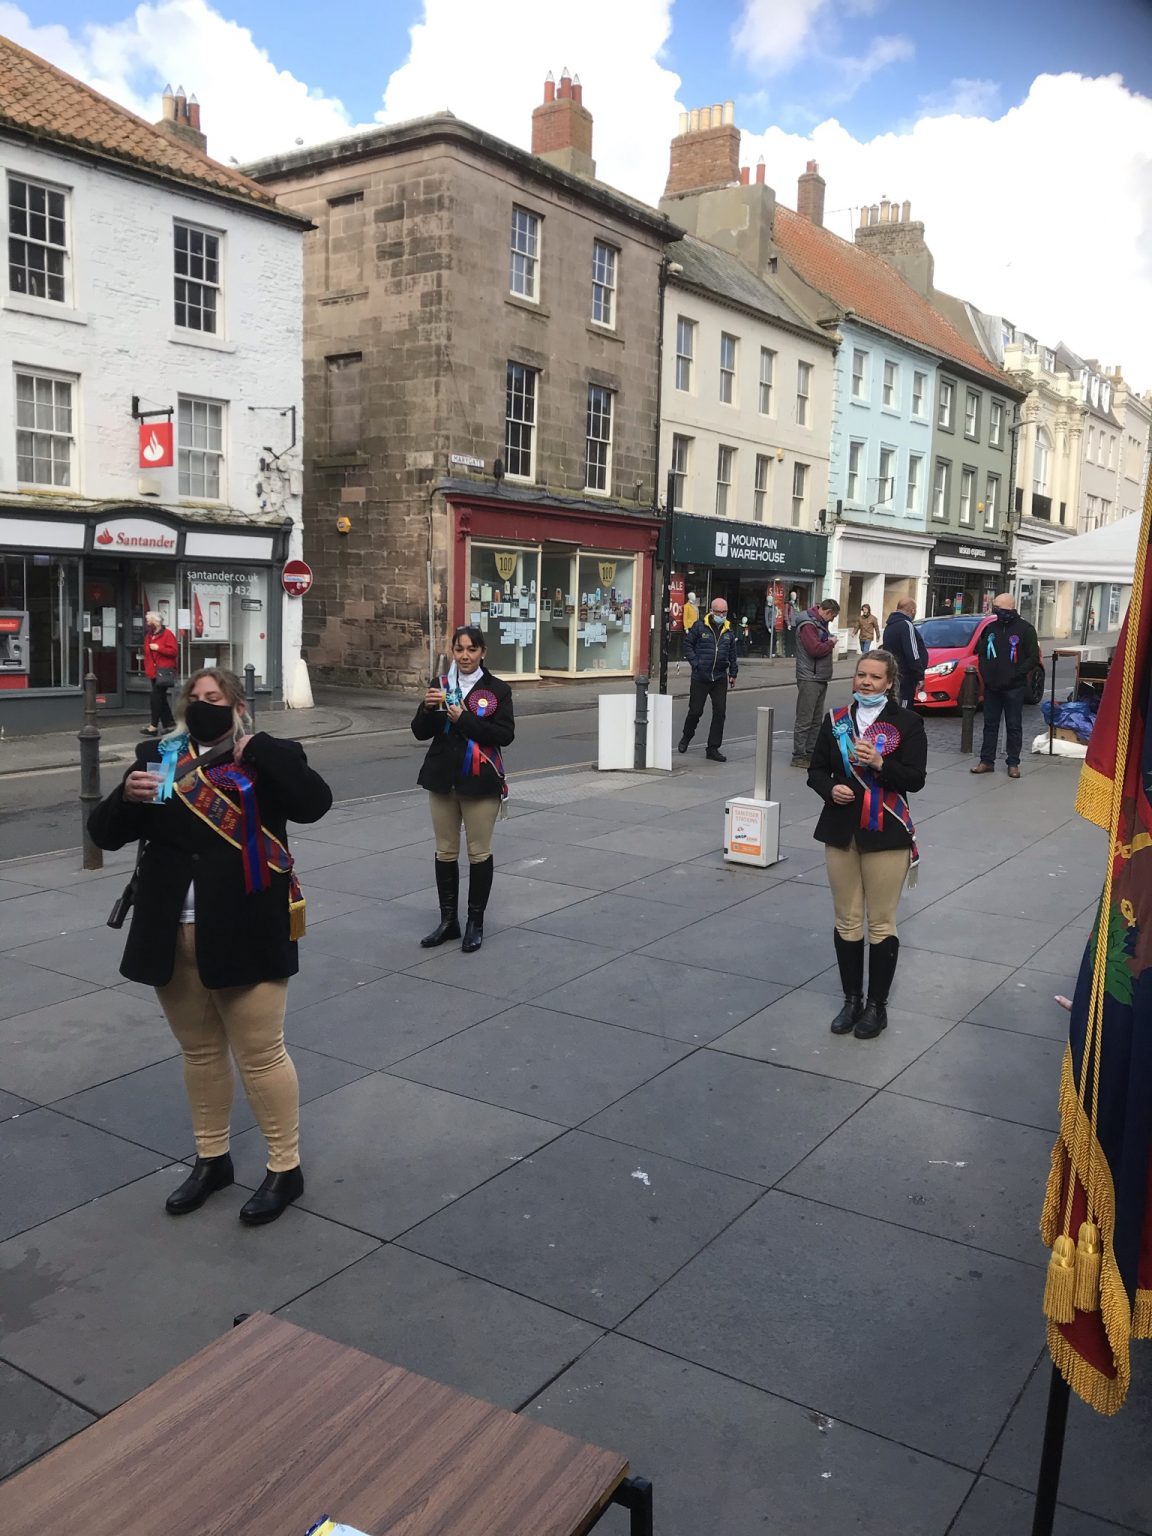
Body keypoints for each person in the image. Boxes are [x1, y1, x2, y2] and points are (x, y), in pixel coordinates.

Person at [88, 667, 333, 1224]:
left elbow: (314, 802)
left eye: (214, 698)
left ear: (237, 705)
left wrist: (262, 748)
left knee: (261, 1053)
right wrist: (126, 798)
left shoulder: (266, 756)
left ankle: (284, 1166)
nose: (203, 705)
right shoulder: (160, 755)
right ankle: (211, 1160)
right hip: (170, 932)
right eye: (194, 699)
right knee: (199, 1052)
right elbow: (103, 834)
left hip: (248, 927)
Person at [808, 648, 927, 1039]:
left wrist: (879, 765)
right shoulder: (836, 721)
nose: (866, 682)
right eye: (861, 675)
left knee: (880, 922)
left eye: (875, 677)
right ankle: (851, 1000)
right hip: (841, 830)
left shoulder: (907, 723)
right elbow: (816, 770)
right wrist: (831, 789)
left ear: (889, 683)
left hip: (886, 833)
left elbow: (914, 778)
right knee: (846, 919)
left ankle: (877, 1007)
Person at [412, 625, 514, 953]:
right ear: (453, 652)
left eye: (471, 649)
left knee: (478, 853)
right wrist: (427, 709)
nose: (465, 656)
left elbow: (504, 734)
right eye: (459, 650)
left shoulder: (497, 689)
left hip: (480, 782)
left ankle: (475, 922)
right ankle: (448, 921)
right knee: (445, 852)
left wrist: (464, 720)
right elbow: (419, 732)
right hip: (442, 780)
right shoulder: (441, 685)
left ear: (483, 651)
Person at [971, 592, 1040, 780]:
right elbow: (983, 652)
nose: (996, 611)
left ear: (1009, 607)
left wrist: (1016, 674)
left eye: (998, 607)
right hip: (992, 686)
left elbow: (1033, 657)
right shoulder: (991, 628)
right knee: (989, 724)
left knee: (1013, 725)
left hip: (1014, 687)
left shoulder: (1026, 629)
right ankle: (986, 761)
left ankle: (1013, 762)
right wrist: (986, 673)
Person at [678, 597, 739, 762]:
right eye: (719, 612)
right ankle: (686, 736)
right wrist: (695, 664)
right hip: (700, 676)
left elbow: (732, 654)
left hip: (719, 676)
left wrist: (733, 673)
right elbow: (687, 645)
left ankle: (713, 748)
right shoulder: (700, 627)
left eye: (724, 612)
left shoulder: (728, 630)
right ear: (712, 611)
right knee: (695, 711)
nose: (721, 615)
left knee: (720, 713)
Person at [791, 597, 840, 768]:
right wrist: (831, 643)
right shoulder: (808, 625)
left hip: (818, 676)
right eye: (832, 617)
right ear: (827, 612)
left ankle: (811, 753)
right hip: (809, 676)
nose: (832, 620)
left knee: (815, 719)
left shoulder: (817, 623)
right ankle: (799, 756)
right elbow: (815, 649)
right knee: (805, 719)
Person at [882, 599, 927, 707]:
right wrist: (919, 675)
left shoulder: (890, 626)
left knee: (895, 702)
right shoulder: (906, 625)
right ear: (912, 610)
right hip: (906, 675)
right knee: (905, 705)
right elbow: (912, 651)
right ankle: (903, 723)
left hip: (894, 672)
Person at [141, 611, 178, 736]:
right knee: (161, 698)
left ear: (155, 622)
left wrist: (158, 648)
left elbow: (173, 651)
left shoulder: (168, 634)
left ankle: (153, 726)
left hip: (164, 671)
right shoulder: (149, 636)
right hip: (153, 672)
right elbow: (147, 654)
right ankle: (170, 723)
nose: (147, 623)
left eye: (148, 620)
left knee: (155, 697)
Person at [782, 589, 800, 658]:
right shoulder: (788, 604)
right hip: (790, 625)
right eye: (793, 595)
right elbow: (786, 614)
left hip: (796, 624)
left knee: (794, 640)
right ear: (790, 596)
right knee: (789, 640)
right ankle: (788, 654)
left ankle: (794, 653)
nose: (794, 596)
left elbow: (798, 614)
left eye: (795, 595)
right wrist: (788, 623)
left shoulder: (796, 605)